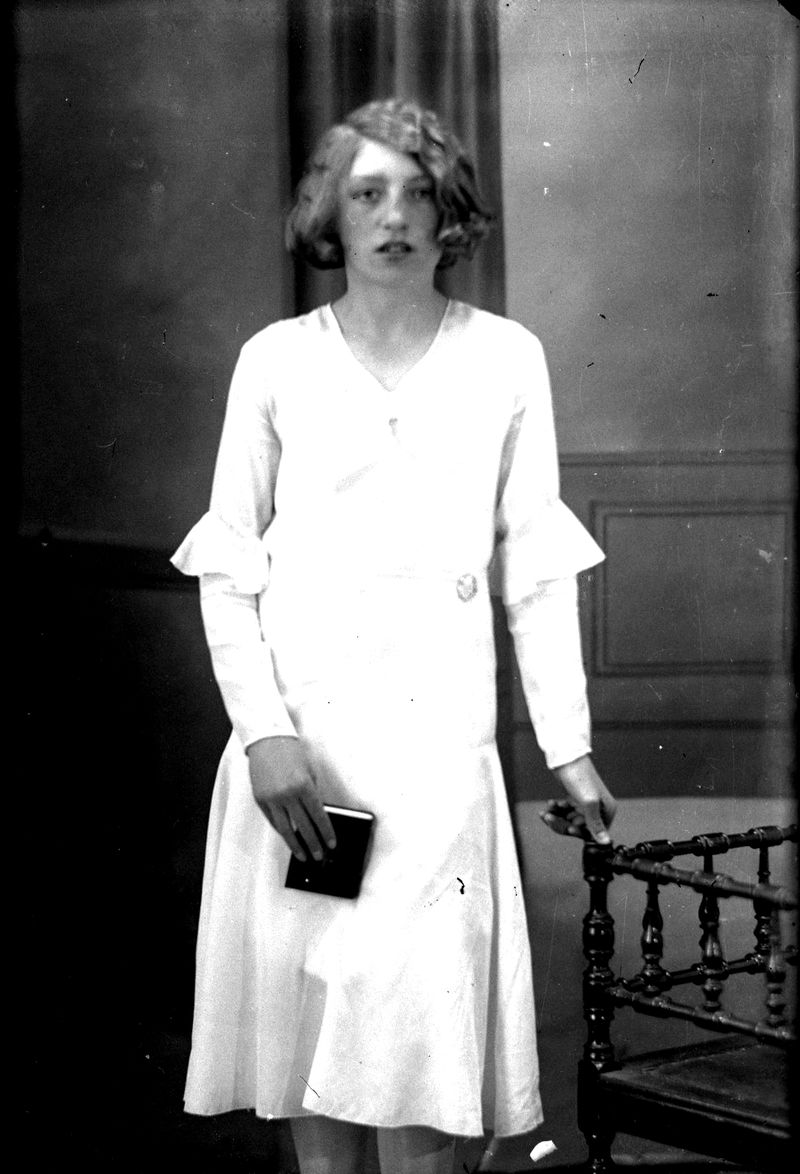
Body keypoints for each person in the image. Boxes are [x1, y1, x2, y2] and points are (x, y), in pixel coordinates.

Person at [171, 98, 616, 1174]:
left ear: (449, 214)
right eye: (366, 193)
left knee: (420, 1058)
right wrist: (265, 734)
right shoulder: (276, 362)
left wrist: (566, 744)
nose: (393, 216)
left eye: (418, 193)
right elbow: (228, 568)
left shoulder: (505, 359)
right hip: (309, 764)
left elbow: (534, 564)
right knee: (316, 1051)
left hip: (438, 757)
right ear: (330, 214)